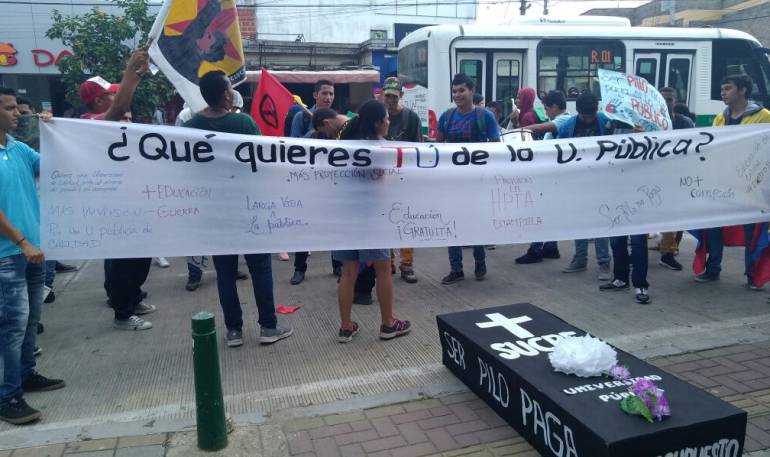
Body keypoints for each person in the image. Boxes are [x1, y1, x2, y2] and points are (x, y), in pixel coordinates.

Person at [184, 71, 293, 347]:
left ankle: (234, 331)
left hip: (214, 211)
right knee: (260, 269)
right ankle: (268, 326)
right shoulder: (243, 123)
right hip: (248, 208)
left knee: (225, 274)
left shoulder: (190, 127)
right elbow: (260, 163)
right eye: (230, 87)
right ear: (225, 95)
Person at [0, 87, 65, 425]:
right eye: (10, 108)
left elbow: (51, 165)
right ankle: (8, 395)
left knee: (29, 320)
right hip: (8, 255)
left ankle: (26, 374)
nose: (18, 113)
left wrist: (53, 133)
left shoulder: (17, 148)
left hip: (32, 252)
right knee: (11, 326)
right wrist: (24, 241)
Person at [79, 48, 157, 330]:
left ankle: (133, 298)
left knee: (140, 257)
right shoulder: (89, 124)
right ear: (99, 100)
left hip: (134, 200)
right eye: (111, 94)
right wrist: (131, 76)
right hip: (114, 207)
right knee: (123, 261)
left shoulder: (114, 122)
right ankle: (122, 313)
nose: (116, 96)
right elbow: (119, 109)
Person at [334, 99, 411, 343]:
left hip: (344, 216)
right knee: (383, 270)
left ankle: (346, 327)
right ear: (377, 123)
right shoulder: (380, 149)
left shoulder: (343, 146)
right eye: (386, 118)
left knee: (347, 273)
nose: (389, 121)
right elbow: (383, 182)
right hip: (372, 217)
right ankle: (388, 324)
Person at [694, 74, 770, 287]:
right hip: (722, 183)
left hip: (751, 187)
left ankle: (752, 274)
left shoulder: (764, 117)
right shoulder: (720, 118)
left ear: (743, 90)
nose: (723, 93)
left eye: (728, 88)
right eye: (723, 89)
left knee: (751, 232)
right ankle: (713, 269)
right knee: (714, 227)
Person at [437, 73, 500, 285]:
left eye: (462, 90)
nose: (457, 95)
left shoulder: (485, 117)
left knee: (475, 223)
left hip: (477, 183)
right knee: (451, 224)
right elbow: (437, 149)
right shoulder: (446, 118)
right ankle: (456, 269)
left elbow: (496, 148)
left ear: (472, 91)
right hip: (452, 183)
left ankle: (479, 260)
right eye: (454, 91)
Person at [288, 80, 341, 283]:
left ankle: (338, 264)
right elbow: (292, 146)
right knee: (304, 225)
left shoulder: (337, 118)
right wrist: (314, 132)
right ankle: (299, 268)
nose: (328, 97)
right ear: (315, 95)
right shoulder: (301, 117)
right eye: (324, 93)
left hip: (331, 182)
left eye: (331, 93)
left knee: (334, 225)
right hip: (307, 181)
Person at [557, 92, 612, 281]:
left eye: (591, 116)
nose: (588, 120)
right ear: (577, 112)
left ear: (597, 111)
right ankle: (580, 258)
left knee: (600, 223)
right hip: (577, 182)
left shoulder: (607, 122)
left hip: (602, 182)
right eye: (584, 116)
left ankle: (604, 263)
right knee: (579, 221)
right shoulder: (567, 127)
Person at [514, 90, 570, 265]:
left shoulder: (564, 119)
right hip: (552, 172)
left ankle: (536, 249)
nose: (545, 113)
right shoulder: (557, 121)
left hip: (555, 174)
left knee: (541, 211)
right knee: (550, 211)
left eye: (546, 109)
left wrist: (522, 129)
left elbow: (543, 128)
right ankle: (551, 247)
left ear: (554, 107)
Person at [382, 76, 421, 284]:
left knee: (406, 220)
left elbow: (420, 150)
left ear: (401, 96)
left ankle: (407, 264)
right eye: (387, 95)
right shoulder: (376, 115)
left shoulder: (411, 118)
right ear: (382, 94)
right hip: (383, 179)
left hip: (406, 177)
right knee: (385, 220)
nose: (390, 100)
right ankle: (387, 262)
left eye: (394, 96)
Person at [656, 87, 695, 272]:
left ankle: (668, 252)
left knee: (675, 216)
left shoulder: (685, 122)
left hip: (678, 176)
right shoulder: (649, 123)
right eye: (662, 99)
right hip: (655, 177)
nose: (666, 102)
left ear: (675, 102)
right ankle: (665, 249)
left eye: (669, 99)